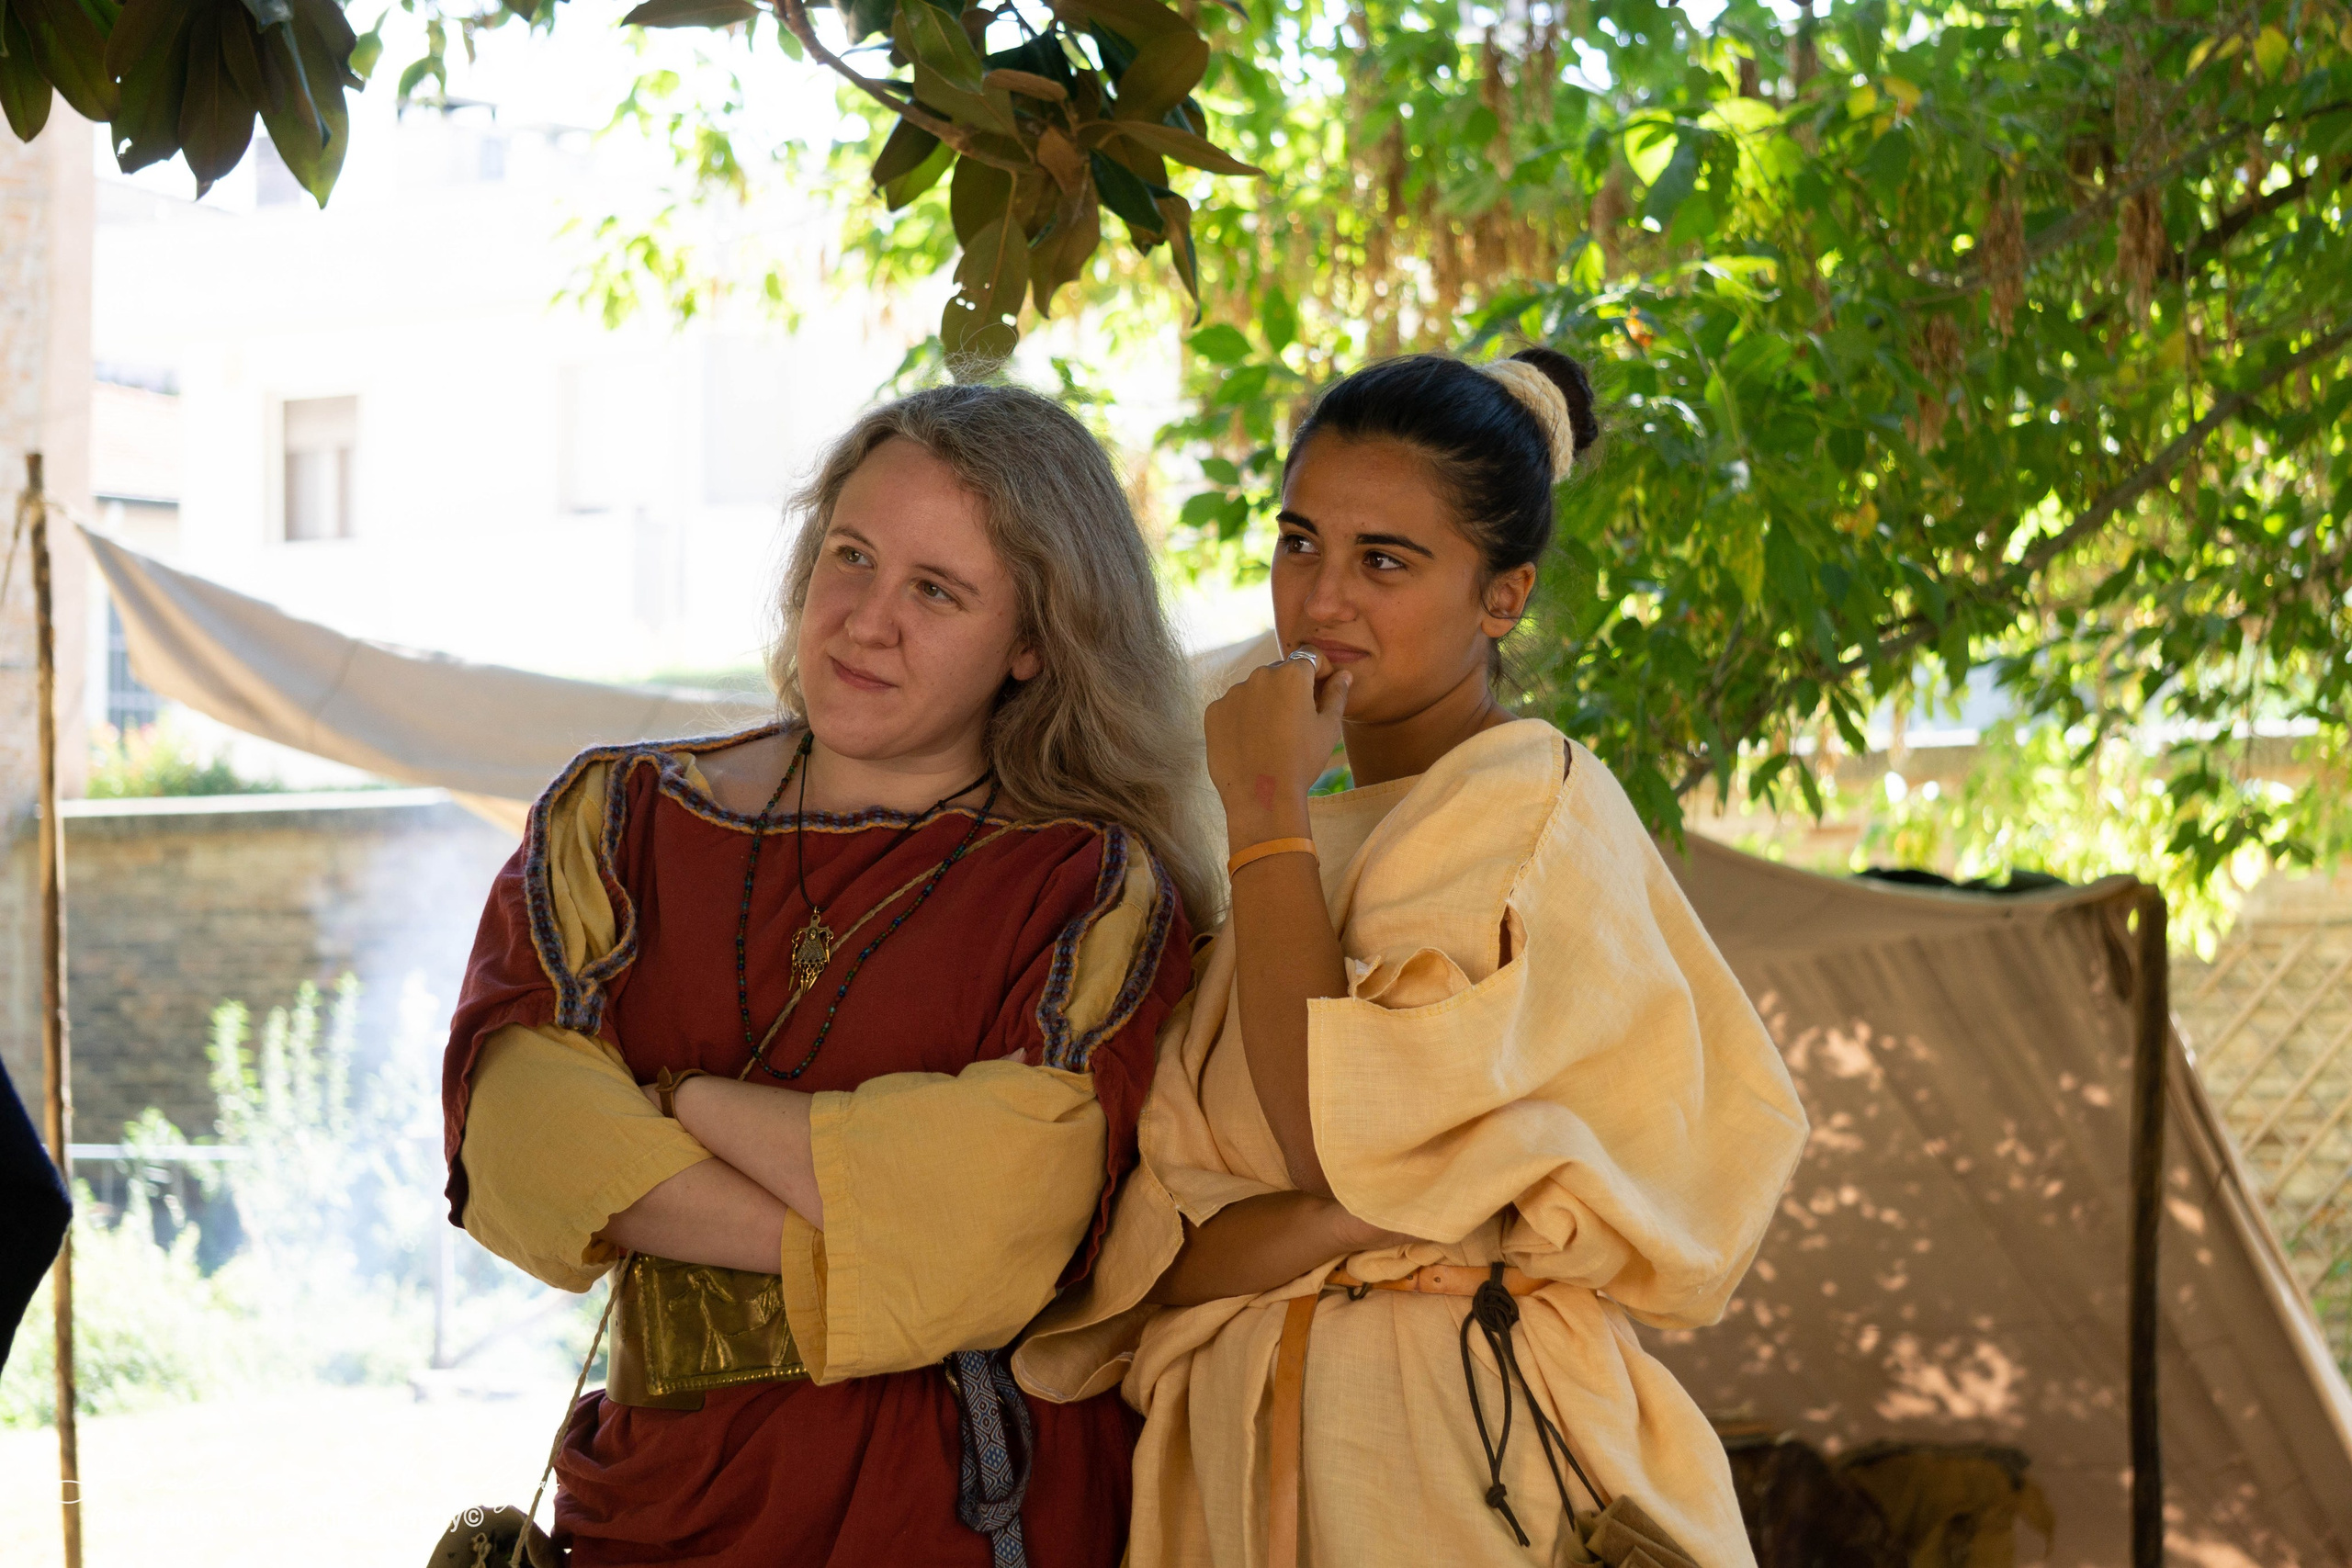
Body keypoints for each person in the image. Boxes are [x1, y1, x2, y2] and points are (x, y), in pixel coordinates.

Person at [1015, 350, 1810, 1567]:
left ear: (1504, 598)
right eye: (1300, 543)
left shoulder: (1525, 800)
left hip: (1455, 1460)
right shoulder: (1293, 849)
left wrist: (1266, 805)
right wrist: (1354, 1211)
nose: (1324, 598)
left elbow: (1329, 1143)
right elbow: (1179, 1254)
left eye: (1384, 560)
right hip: (1237, 1471)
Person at [438, 383, 1215, 1567]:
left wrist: (682, 1103)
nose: (865, 621)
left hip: (950, 1506)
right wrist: (876, 1232)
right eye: (851, 556)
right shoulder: (622, 819)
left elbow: (1000, 1220)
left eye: (935, 589)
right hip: (655, 1493)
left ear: (1032, 644)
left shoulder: (1088, 886)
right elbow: (519, 1132)